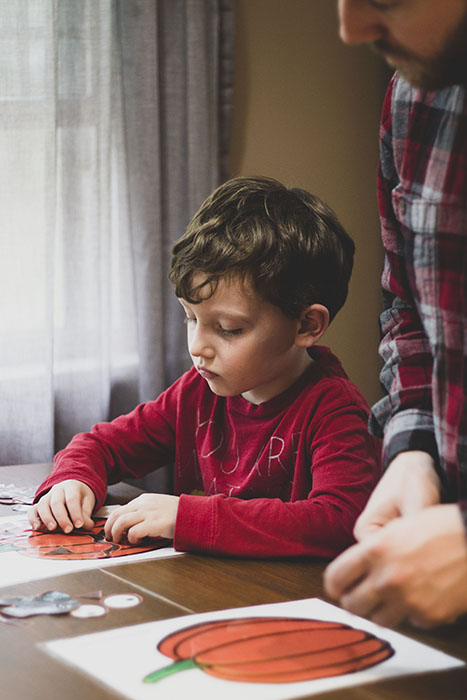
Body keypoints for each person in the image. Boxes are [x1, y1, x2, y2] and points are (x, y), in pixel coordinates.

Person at [29, 175, 380, 558]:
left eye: (228, 329)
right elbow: (100, 445)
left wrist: (186, 517)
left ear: (306, 325)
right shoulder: (196, 392)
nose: (198, 348)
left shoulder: (335, 409)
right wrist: (72, 479)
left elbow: (341, 522)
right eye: (191, 319)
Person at [325, 0, 467, 628]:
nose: (351, 30)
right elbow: (411, 312)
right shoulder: (414, 98)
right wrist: (415, 452)